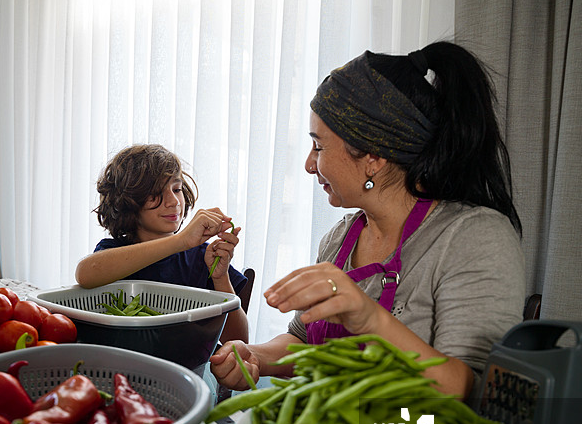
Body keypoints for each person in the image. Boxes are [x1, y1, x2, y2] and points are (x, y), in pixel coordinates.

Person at [210, 41, 525, 400]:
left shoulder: (475, 238)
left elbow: (475, 392)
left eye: (319, 146)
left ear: (373, 156)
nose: (309, 164)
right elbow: (302, 338)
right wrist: (257, 357)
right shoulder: (339, 240)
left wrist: (369, 318)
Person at [76, 144, 249, 343]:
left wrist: (221, 277)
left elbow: (240, 341)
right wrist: (180, 241)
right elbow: (85, 273)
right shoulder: (114, 252)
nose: (174, 201)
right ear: (128, 201)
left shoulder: (204, 258)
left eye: (177, 189)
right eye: (156, 193)